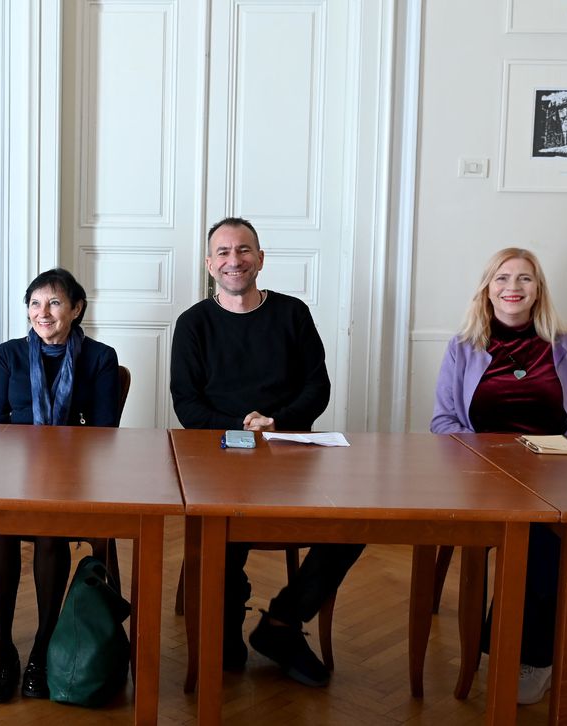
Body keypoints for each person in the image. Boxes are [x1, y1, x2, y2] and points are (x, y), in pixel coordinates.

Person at [430, 247, 567, 704]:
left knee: (549, 521)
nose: (513, 287)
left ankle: (533, 658)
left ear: (538, 290)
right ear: (487, 288)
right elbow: (444, 422)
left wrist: (564, 455)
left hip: (558, 470)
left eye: (525, 279)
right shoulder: (465, 345)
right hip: (485, 475)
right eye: (503, 278)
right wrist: (485, 459)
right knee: (542, 528)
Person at [170, 216, 358, 688]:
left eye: (245, 250)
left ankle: (281, 623)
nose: (235, 261)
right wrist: (240, 428)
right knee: (224, 519)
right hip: (218, 455)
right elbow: (187, 404)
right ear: (210, 263)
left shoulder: (292, 313)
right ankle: (226, 617)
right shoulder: (193, 324)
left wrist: (276, 423)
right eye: (225, 253)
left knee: (353, 523)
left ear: (260, 258)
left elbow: (318, 386)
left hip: (288, 451)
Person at [0, 268, 121, 703]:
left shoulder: (100, 358)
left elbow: (103, 433)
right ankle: (2, 648)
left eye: (55, 303)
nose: (44, 312)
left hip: (74, 478)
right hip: (14, 474)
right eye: (35, 303)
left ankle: (43, 645)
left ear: (77, 309)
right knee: (0, 528)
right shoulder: (8, 355)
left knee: (48, 529)